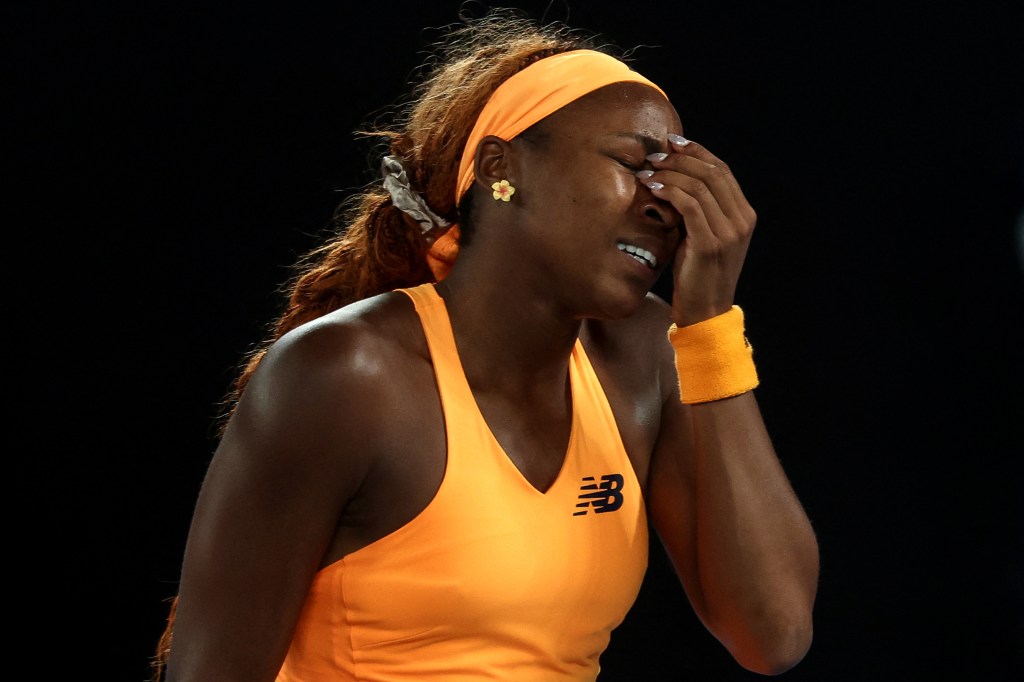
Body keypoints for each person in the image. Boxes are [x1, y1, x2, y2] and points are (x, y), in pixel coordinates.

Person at [153, 9, 819, 681]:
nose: (665, 204)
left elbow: (775, 634)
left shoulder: (646, 355)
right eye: (631, 163)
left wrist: (708, 326)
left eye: (675, 179)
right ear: (503, 169)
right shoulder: (347, 376)